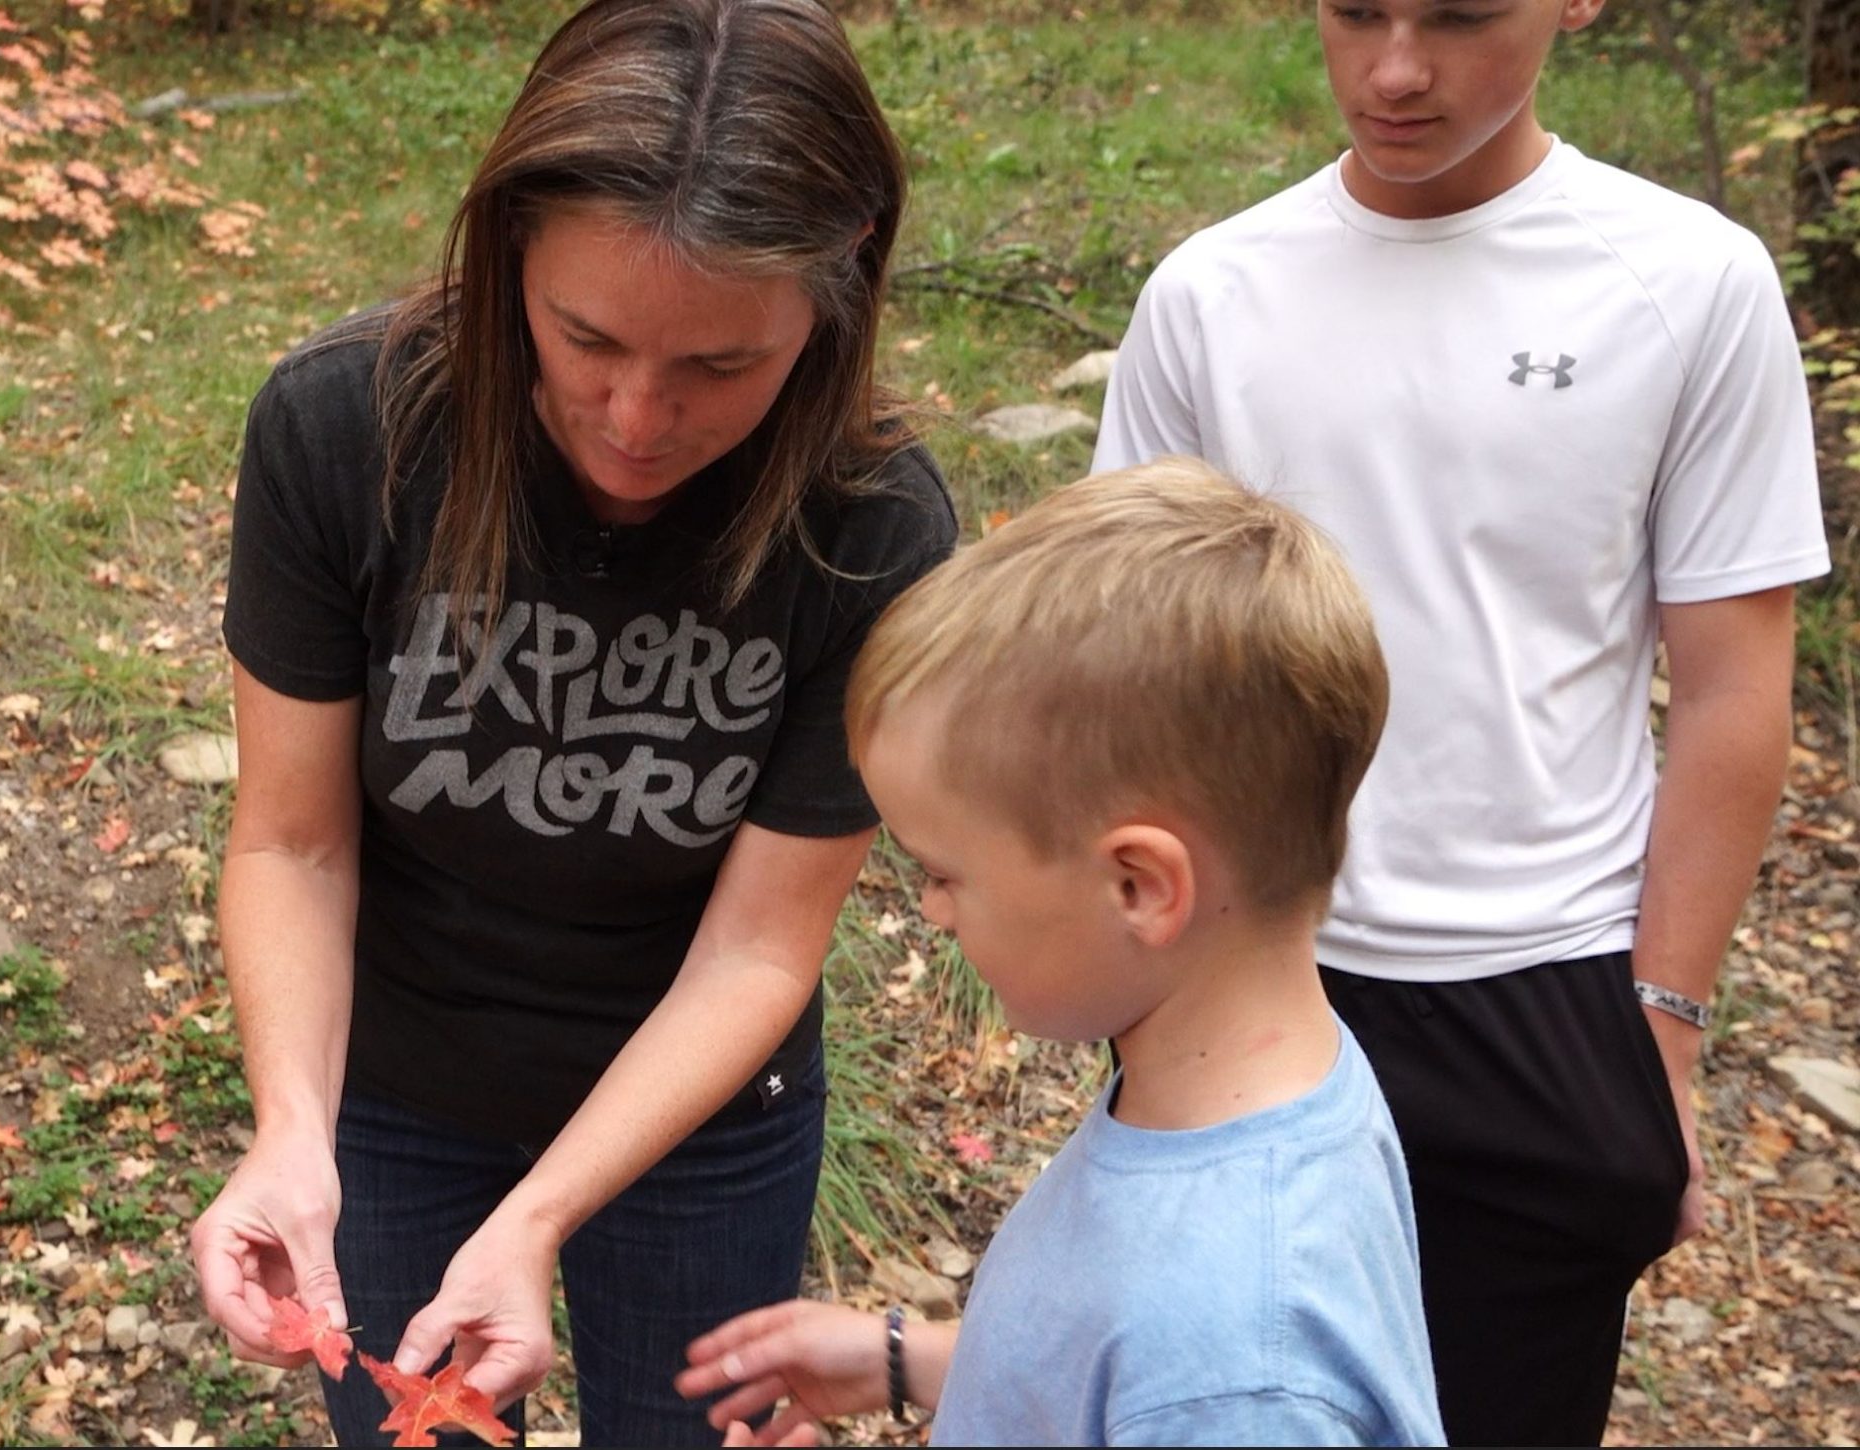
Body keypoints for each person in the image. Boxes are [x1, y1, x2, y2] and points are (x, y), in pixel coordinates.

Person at [186, 0, 956, 1443]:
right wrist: (291, 1129)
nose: (634, 416)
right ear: (509, 252)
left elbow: (761, 942)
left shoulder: (875, 530)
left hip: (703, 1112)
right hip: (398, 1083)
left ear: (843, 277)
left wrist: (540, 1212)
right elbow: (292, 845)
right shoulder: (344, 430)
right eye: (583, 335)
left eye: (721, 365)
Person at [1088, 3, 1834, 1444]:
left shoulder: (1689, 281)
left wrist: (1662, 1040)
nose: (1394, 69)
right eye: (1355, 10)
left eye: (1457, 16)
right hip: (1254, 970)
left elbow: (1737, 687)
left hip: (1543, 988)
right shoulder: (1213, 292)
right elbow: (1127, 664)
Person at [678, 460, 1443, 1447]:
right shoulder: (1248, 1097)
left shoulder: (1239, 1369)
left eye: (947, 872)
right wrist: (916, 1359)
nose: (932, 910)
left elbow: (1173, 1369)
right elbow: (1104, 1366)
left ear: (1138, 886)